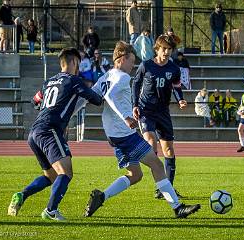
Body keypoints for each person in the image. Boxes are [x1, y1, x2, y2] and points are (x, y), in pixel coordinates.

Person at [80, 41, 200, 219]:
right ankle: (177, 207)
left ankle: (101, 196)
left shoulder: (107, 75)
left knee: (135, 175)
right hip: (125, 134)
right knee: (157, 165)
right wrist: (126, 117)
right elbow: (110, 96)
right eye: (131, 61)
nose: (133, 66)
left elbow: (93, 96)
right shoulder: (122, 77)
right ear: (121, 59)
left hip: (113, 135)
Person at [7, 48, 103, 221]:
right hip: (50, 130)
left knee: (50, 176)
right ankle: (51, 210)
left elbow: (35, 101)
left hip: (35, 132)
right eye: (78, 63)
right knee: (65, 173)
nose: (79, 67)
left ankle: (22, 195)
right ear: (74, 62)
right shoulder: (74, 80)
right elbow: (96, 99)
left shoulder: (48, 82)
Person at [132, 34, 187, 199]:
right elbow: (136, 83)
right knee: (151, 143)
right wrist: (135, 104)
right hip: (146, 110)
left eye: (170, 49)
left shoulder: (174, 69)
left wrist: (181, 99)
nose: (167, 52)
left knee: (169, 149)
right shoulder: (146, 65)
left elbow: (176, 87)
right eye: (164, 49)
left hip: (163, 112)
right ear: (157, 49)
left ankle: (166, 189)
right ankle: (159, 184)